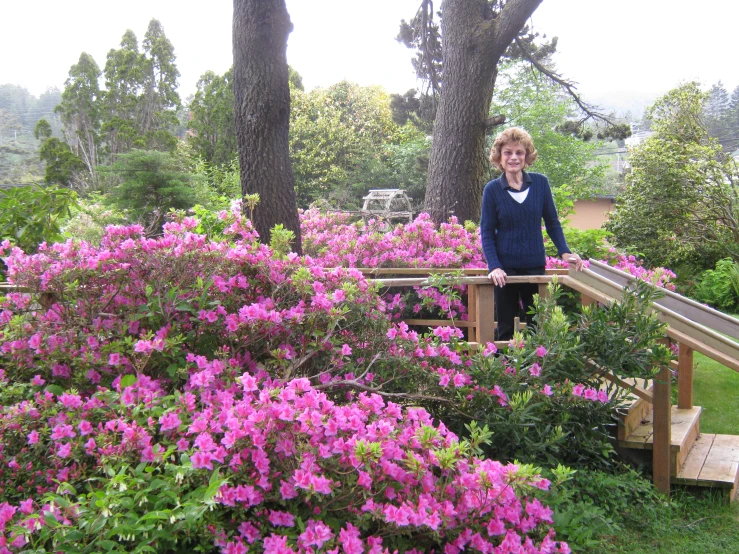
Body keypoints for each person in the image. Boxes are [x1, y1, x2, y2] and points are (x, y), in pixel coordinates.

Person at [480, 127, 584, 341]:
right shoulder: (492, 190)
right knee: (506, 329)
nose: (514, 158)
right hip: (505, 271)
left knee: (538, 326)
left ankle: (536, 372)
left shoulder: (540, 184)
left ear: (526, 156)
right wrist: (494, 266)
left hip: (535, 266)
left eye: (519, 152)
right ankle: (507, 373)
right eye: (508, 152)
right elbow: (487, 233)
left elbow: (553, 223)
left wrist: (565, 253)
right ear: (499, 157)